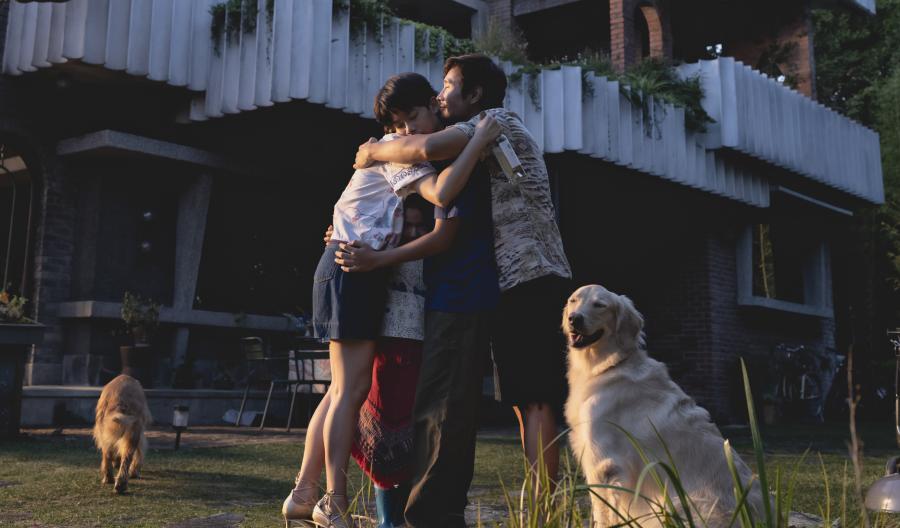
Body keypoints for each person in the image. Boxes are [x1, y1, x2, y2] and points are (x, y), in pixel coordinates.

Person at [343, 54, 573, 500]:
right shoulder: (486, 129)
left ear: (475, 95)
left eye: (449, 85)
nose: (440, 93)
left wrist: (374, 149)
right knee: (526, 400)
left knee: (536, 397)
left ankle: (546, 506)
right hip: (517, 278)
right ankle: (541, 501)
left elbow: (426, 150)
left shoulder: (491, 122)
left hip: (531, 275)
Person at [282, 72, 501, 528]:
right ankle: (334, 501)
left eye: (412, 118)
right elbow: (440, 193)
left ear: (432, 107)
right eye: (397, 124)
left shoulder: (391, 150)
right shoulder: (399, 153)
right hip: (352, 269)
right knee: (349, 391)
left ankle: (306, 492)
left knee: (341, 392)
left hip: (348, 265)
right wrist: (479, 141)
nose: (406, 131)